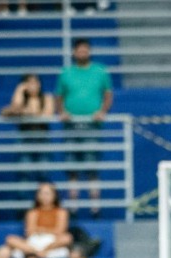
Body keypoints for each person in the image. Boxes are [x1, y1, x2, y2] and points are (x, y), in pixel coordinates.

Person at [56, 38, 112, 215]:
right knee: (72, 166)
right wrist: (61, 111)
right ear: (74, 52)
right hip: (71, 125)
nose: (82, 52)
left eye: (85, 49)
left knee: (92, 165)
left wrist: (102, 111)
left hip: (92, 126)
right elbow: (58, 96)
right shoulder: (66, 73)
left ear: (89, 51)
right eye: (79, 50)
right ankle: (73, 205)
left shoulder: (100, 71)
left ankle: (95, 206)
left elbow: (108, 94)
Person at [2, 74, 55, 182]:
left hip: (42, 139)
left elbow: (47, 115)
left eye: (36, 82)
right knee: (24, 173)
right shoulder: (22, 99)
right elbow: (13, 108)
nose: (33, 86)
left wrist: (26, 112)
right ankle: (24, 199)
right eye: (29, 83)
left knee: (44, 173)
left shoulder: (47, 97)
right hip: (24, 139)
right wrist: (19, 90)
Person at [6, 182, 73, 258]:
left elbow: (60, 231)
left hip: (52, 243)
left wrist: (41, 230)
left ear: (54, 195)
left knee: (67, 238)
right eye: (42, 193)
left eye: (47, 193)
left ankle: (38, 253)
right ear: (37, 195)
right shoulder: (32, 212)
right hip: (34, 241)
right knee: (10, 239)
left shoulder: (61, 212)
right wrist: (45, 231)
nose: (44, 196)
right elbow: (29, 232)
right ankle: (38, 253)